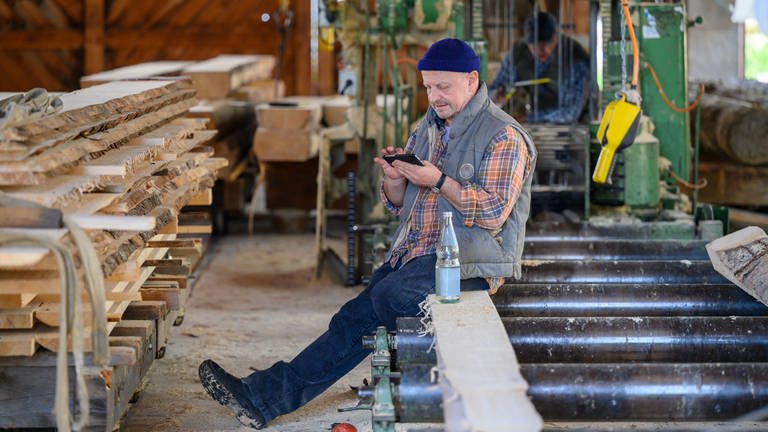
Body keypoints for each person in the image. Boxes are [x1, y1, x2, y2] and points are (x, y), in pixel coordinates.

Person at [198, 38, 537, 429]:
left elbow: (494, 212)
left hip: (470, 263)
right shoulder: (427, 127)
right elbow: (398, 203)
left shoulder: (503, 135)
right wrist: (395, 179)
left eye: (443, 87)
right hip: (417, 255)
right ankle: (261, 399)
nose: (434, 96)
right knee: (353, 317)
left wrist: (438, 179)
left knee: (385, 298)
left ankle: (263, 397)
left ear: (472, 80)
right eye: (428, 86)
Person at [489, 11, 590, 123]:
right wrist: (496, 96)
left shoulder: (575, 57)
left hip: (576, 127)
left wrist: (527, 118)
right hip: (533, 124)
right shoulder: (516, 54)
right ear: (526, 41)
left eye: (546, 43)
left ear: (557, 37)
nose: (540, 49)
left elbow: (569, 113)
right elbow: (493, 91)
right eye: (534, 44)